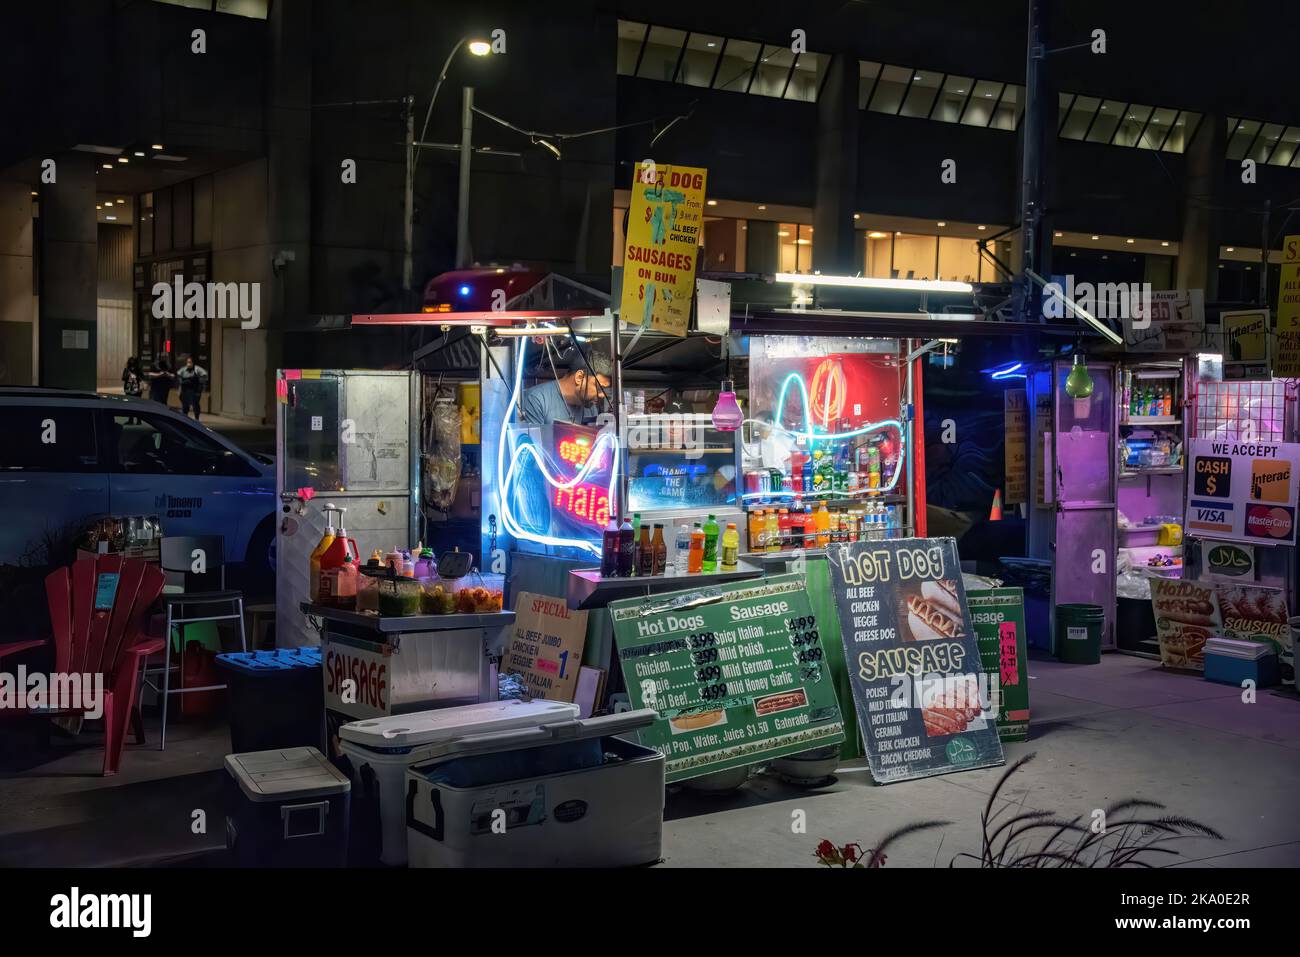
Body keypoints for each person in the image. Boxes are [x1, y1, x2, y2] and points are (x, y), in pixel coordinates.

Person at [520, 340, 612, 424]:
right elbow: (534, 440)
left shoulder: (590, 407)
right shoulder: (537, 399)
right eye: (599, 388)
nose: (602, 395)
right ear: (579, 377)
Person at [176, 355, 209, 421]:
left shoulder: (197, 369)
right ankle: (185, 418)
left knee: (195, 404)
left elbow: (204, 376)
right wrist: (182, 382)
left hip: (194, 389)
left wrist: (198, 382)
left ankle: (197, 418)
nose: (189, 364)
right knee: (185, 405)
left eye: (190, 362)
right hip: (185, 389)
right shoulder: (183, 369)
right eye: (188, 362)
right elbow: (178, 376)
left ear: (193, 363)